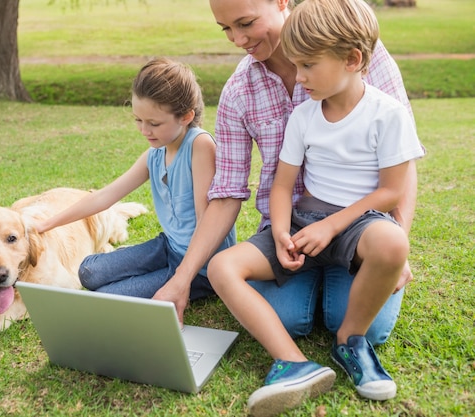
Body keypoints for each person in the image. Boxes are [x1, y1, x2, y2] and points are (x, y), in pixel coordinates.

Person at [147, 0, 423, 415]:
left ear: (280, 3)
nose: (238, 40)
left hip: (360, 226)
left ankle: (350, 337)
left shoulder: (358, 47)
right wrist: (185, 277)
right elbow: (242, 190)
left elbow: (398, 172)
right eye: (225, 29)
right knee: (288, 319)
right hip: (295, 228)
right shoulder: (248, 93)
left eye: (246, 23)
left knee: (361, 321)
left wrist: (396, 240)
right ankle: (295, 363)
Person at [35, 57, 236, 301]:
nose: (144, 130)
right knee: (88, 272)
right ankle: (150, 269)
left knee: (108, 296)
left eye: (154, 123)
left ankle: (190, 283)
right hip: (168, 247)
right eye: (138, 120)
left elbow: (208, 223)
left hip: (200, 266)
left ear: (185, 116)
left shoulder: (200, 146)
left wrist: (181, 277)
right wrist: (47, 224)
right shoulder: (156, 152)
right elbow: (105, 196)